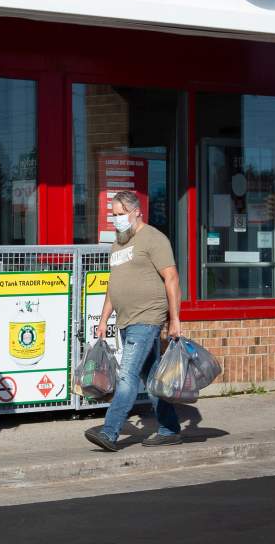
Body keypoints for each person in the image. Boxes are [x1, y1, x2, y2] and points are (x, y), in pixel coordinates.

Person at [85, 191, 183, 451]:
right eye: (113, 215)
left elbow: (171, 278)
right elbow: (113, 284)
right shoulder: (119, 243)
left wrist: (175, 319)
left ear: (136, 211)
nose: (116, 220)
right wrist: (104, 318)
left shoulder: (154, 238)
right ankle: (170, 428)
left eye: (120, 214)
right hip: (125, 320)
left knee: (127, 375)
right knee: (151, 376)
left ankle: (110, 432)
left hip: (147, 316)